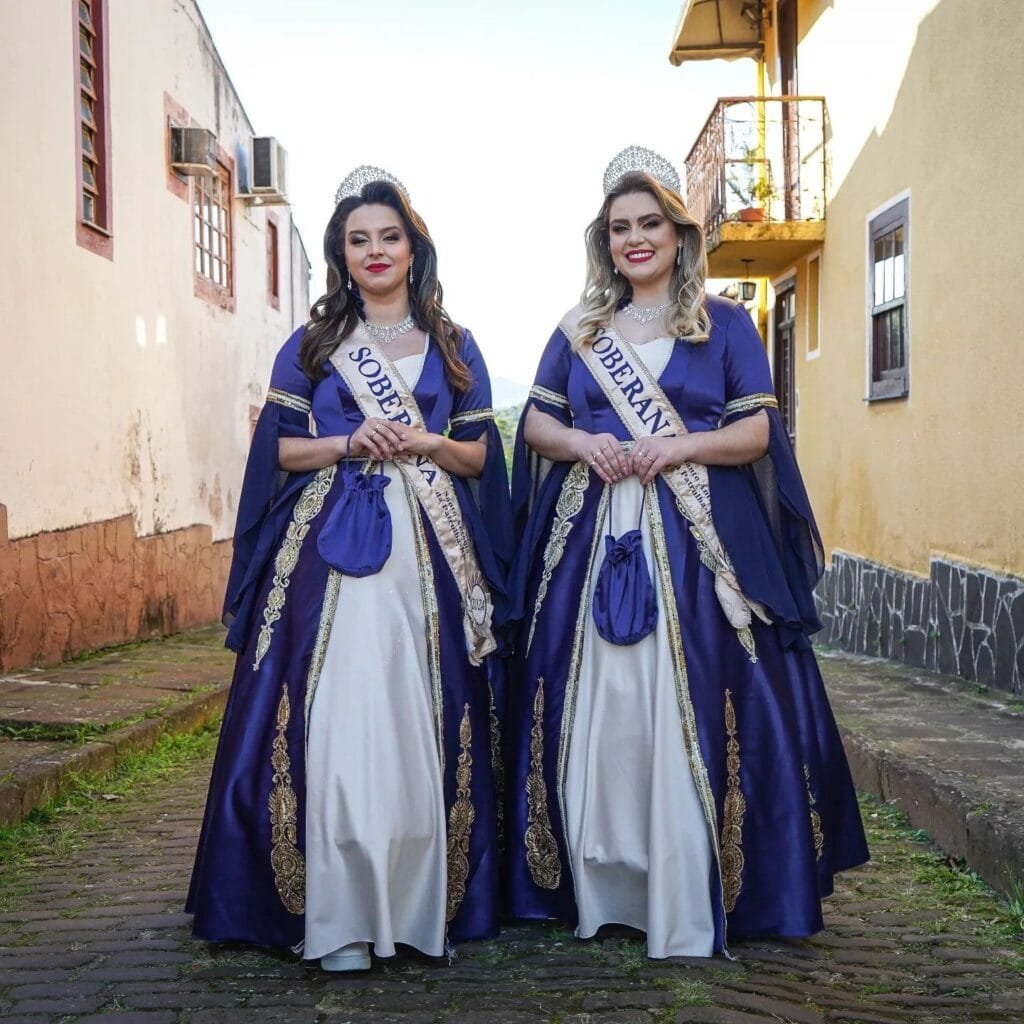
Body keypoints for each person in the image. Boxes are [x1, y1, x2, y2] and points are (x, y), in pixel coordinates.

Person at [504, 147, 868, 958]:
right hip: (595, 529)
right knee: (603, 697)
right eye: (619, 228)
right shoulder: (580, 328)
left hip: (699, 537)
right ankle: (606, 878)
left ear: (679, 233)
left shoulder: (725, 321)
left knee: (692, 691)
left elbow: (756, 432)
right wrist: (584, 442)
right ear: (604, 241)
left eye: (650, 224)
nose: (635, 239)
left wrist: (678, 448)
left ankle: (691, 875)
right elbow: (536, 422)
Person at [187, 166, 511, 971]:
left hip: (429, 555)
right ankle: (334, 905)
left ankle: (411, 901)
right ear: (340, 254)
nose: (375, 251)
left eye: (389, 237)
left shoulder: (454, 344)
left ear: (414, 248)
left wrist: (427, 441)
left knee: (416, 707)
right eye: (358, 240)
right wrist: (346, 441)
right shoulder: (312, 345)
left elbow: (479, 457)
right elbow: (280, 452)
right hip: (326, 546)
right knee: (334, 706)